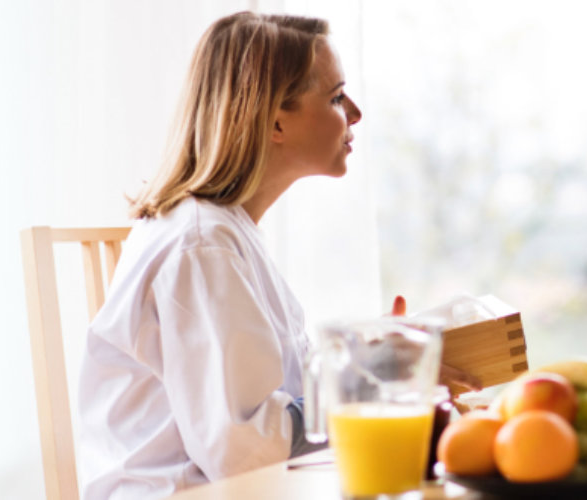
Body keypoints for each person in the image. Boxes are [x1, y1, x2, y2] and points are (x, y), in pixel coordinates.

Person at [73, 12, 475, 499]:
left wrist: (372, 365)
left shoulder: (226, 232)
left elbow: (271, 403)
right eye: (334, 97)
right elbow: (242, 449)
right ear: (275, 121)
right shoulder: (202, 246)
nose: (354, 112)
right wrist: (373, 387)